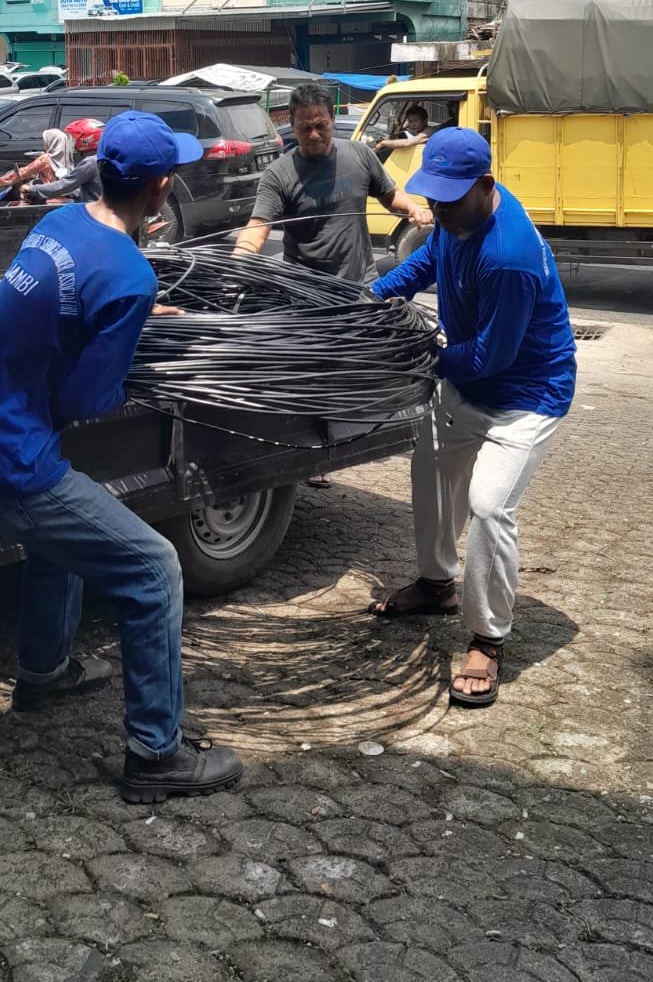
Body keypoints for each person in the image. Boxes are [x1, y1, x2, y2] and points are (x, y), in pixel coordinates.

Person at [0, 110, 243, 801]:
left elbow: (60, 307)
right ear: (161, 188)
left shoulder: (59, 222)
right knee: (155, 570)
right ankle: (155, 757)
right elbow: (86, 399)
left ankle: (45, 674)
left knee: (65, 536)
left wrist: (124, 320)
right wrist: (131, 331)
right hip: (7, 457)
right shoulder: (130, 276)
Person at [367, 127, 576, 709]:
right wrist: (376, 295)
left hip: (525, 396)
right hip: (464, 384)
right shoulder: (456, 218)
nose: (436, 209)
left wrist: (419, 352)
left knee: (487, 505)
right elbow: (427, 261)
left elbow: (491, 357)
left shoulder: (509, 256)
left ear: (486, 186)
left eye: (448, 200)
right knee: (431, 470)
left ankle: (487, 636)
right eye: (431, 198)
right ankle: (437, 585)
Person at [233, 82, 431, 284]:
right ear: (292, 124)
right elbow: (258, 225)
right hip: (307, 291)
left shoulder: (360, 154)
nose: (314, 135)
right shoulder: (278, 174)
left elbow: (390, 194)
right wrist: (238, 261)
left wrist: (413, 208)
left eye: (321, 126)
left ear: (332, 119)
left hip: (361, 283)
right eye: (305, 128)